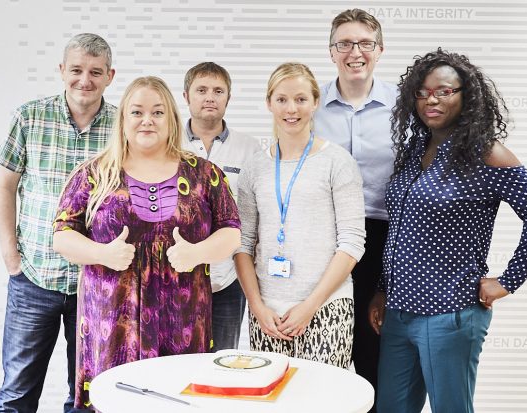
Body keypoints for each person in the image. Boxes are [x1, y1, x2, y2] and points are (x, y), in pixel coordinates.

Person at [369, 48, 527, 412]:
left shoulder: (485, 153)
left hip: (449, 314)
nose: (431, 100)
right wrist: (381, 289)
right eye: (422, 93)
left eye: (444, 91)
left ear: (466, 96)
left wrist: (508, 280)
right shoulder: (414, 149)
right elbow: (400, 230)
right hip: (398, 312)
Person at [52, 76, 241, 410]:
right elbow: (62, 236)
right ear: (123, 120)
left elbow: (231, 232)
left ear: (171, 119)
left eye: (157, 112)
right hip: (111, 325)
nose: (147, 120)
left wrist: (197, 252)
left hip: (183, 323)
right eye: (137, 112)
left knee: (179, 401)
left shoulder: (205, 174)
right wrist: (102, 253)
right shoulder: (95, 173)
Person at [0, 33, 116, 413]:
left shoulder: (123, 126)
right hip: (35, 278)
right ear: (62, 71)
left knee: (87, 397)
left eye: (95, 72)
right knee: (16, 394)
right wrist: (11, 258)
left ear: (110, 76)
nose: (85, 80)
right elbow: (4, 186)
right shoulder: (29, 116)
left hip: (96, 283)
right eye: (77, 70)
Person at [235, 62, 366, 369]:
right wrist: (256, 306)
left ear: (315, 102)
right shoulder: (255, 167)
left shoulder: (337, 161)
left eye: (301, 99)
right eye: (281, 99)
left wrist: (310, 306)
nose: (291, 109)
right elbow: (242, 243)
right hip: (268, 312)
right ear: (269, 103)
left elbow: (352, 243)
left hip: (325, 306)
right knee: (272, 399)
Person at [313, 8, 397, 400]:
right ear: (332, 52)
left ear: (379, 50)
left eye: (365, 43)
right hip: (321, 239)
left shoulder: (404, 109)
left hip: (382, 237)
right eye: (344, 43)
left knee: (371, 345)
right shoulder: (310, 107)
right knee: (323, 345)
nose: (355, 52)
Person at [181, 62, 261, 351]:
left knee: (222, 360)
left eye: (218, 91)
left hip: (228, 277)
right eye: (201, 90)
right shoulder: (169, 143)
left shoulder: (249, 148)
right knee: (176, 362)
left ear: (229, 98)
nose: (210, 97)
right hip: (177, 276)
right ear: (186, 96)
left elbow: (254, 213)